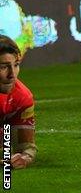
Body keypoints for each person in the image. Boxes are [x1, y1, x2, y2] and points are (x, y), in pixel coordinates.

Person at [0, 35, 37, 169]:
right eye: (4, 67)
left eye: (15, 65)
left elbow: (26, 147)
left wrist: (23, 158)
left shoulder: (21, 97)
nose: (12, 74)